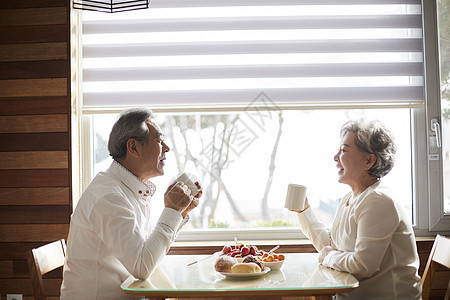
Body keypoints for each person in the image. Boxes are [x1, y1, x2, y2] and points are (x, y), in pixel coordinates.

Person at [61, 108, 202, 299]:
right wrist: (172, 209)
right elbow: (142, 267)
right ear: (133, 147)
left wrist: (180, 212)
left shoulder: (127, 190)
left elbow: (145, 256)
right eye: (159, 141)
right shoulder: (109, 197)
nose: (167, 148)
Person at [290, 119, 422, 299]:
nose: (335, 157)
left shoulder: (378, 201)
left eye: (344, 150)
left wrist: (327, 257)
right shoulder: (352, 198)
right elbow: (331, 246)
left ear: (368, 160)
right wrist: (304, 212)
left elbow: (362, 266)